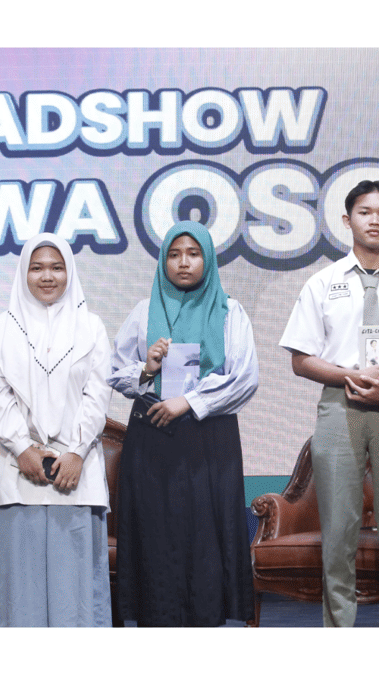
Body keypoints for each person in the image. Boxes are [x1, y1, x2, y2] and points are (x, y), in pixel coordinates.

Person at [279, 180, 379, 627]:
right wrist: (352, 375)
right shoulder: (322, 283)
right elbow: (300, 360)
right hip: (340, 406)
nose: (374, 221)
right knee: (338, 530)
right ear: (347, 220)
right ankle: (339, 631)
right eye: (365, 212)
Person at [110, 221, 259, 627]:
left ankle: (206, 624)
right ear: (163, 261)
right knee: (154, 536)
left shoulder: (229, 311)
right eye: (174, 255)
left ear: (208, 258)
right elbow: (115, 372)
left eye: (193, 253)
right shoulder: (143, 311)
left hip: (209, 439)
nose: (183, 263)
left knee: (205, 538)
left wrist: (189, 402)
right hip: (152, 434)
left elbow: (244, 377)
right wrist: (147, 367)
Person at [0, 233, 113, 627]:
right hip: (19, 472)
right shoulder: (2, 328)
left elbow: (98, 394)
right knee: (23, 594)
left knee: (77, 595)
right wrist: (23, 449)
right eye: (37, 268)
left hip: (78, 473)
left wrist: (76, 453)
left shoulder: (91, 327)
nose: (47, 276)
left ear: (70, 272)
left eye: (57, 267)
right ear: (23, 273)